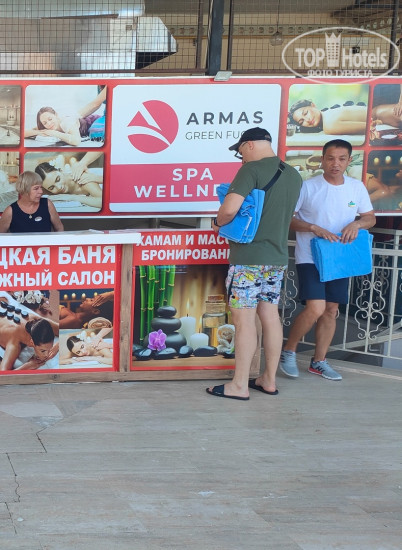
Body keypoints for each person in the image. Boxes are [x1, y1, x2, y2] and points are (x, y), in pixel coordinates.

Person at [206, 127, 303, 400]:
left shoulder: (251, 170)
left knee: (244, 320)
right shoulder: (294, 175)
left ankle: (239, 385)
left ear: (249, 145)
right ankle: (268, 379)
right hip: (277, 259)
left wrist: (217, 223)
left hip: (248, 259)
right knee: (270, 317)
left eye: (240, 152)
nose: (241, 159)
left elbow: (229, 209)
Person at [279, 139, 376, 381]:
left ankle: (319, 362)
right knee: (316, 307)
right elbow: (287, 219)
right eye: (330, 158)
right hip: (310, 256)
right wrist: (313, 227)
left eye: (341, 159)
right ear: (322, 160)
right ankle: (288, 351)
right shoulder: (308, 187)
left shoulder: (356, 187)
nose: (336, 163)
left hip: (340, 257)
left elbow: (370, 218)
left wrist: (356, 224)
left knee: (331, 310)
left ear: (349, 161)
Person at [24, 86, 107, 146]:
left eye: (50, 119)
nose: (48, 124)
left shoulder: (66, 122)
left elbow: (76, 141)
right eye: (45, 123)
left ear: (56, 115)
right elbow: (23, 133)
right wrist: (41, 132)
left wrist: (55, 133)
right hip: (85, 120)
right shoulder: (47, 126)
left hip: (92, 121)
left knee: (96, 134)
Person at [35, 161, 103, 209]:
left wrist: (72, 197)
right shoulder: (48, 187)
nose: (59, 187)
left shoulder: (83, 180)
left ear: (61, 170)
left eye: (58, 179)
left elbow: (102, 202)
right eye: (52, 188)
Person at [288, 100, 368, 135]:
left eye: (306, 113)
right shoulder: (329, 114)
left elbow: (370, 129)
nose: (307, 120)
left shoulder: (329, 125)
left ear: (313, 105)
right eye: (302, 122)